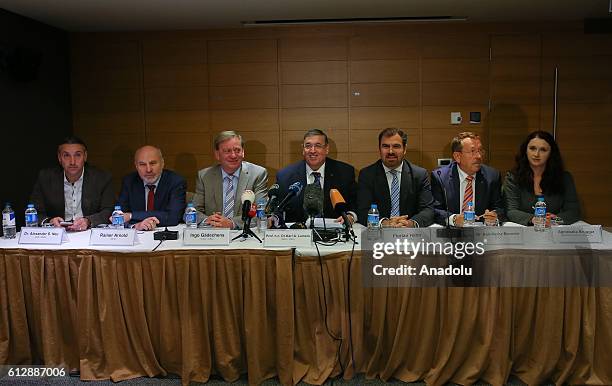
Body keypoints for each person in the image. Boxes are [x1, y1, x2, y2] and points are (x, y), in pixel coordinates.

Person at [29, 136, 114, 231]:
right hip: (56, 233)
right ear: (59, 158)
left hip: (89, 232)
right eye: (66, 155)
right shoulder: (45, 178)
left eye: (78, 155)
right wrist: (49, 221)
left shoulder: (102, 178)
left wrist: (88, 221)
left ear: (85, 156)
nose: (72, 161)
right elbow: (34, 211)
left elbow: (109, 210)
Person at [275, 128, 357, 224]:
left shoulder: (345, 172)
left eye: (318, 146)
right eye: (308, 146)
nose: (312, 151)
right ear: (303, 149)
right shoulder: (285, 176)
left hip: (334, 232)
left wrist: (351, 216)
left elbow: (356, 203)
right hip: (298, 234)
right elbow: (278, 209)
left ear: (326, 149)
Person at [357, 128, 434, 228]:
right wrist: (384, 223)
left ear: (405, 149)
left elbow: (428, 210)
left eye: (396, 146)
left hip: (410, 233)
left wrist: (411, 223)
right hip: (379, 232)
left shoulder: (419, 175)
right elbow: (363, 210)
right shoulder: (367, 175)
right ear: (379, 149)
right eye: (385, 146)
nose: (390, 151)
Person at [193, 131, 268, 229]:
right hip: (214, 233)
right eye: (227, 151)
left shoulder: (258, 174)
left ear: (243, 152)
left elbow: (261, 213)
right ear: (217, 154)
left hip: (243, 235)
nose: (233, 155)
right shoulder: (205, 176)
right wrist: (207, 220)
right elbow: (193, 211)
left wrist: (231, 223)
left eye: (237, 150)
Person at [504, 130, 580, 225]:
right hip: (524, 229)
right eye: (532, 148)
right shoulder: (513, 177)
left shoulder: (564, 178)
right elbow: (511, 210)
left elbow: (574, 211)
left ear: (551, 153)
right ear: (525, 151)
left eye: (543, 150)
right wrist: (533, 219)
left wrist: (556, 219)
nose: (536, 154)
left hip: (553, 229)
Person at [431, 132, 505, 227]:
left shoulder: (492, 176)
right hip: (451, 232)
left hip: (481, 233)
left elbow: (500, 208)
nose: (479, 156)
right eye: (473, 151)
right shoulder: (440, 177)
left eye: (480, 151)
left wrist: (494, 216)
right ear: (457, 156)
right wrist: (454, 219)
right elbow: (434, 210)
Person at [116, 145, 186, 230]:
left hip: (165, 234)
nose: (148, 170)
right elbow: (118, 216)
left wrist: (132, 216)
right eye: (142, 164)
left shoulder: (175, 181)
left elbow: (173, 217)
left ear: (162, 163)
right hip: (137, 235)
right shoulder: (129, 182)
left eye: (153, 163)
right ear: (136, 166)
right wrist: (135, 225)